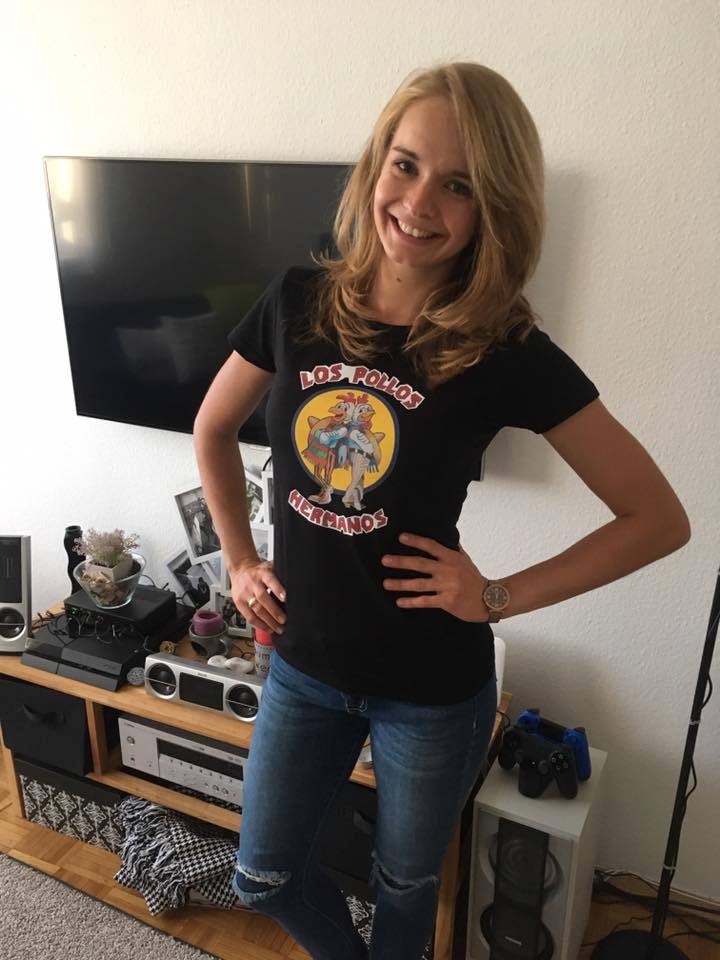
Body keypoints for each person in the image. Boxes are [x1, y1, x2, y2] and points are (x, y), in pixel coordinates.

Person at [193, 62, 690, 960]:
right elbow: (213, 428)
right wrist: (237, 558)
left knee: (405, 887)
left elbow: (657, 518)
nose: (419, 203)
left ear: (493, 207)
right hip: (302, 665)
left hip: (430, 690)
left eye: (458, 185)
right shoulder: (296, 300)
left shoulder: (505, 349)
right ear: (375, 165)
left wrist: (497, 595)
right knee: (262, 875)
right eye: (406, 165)